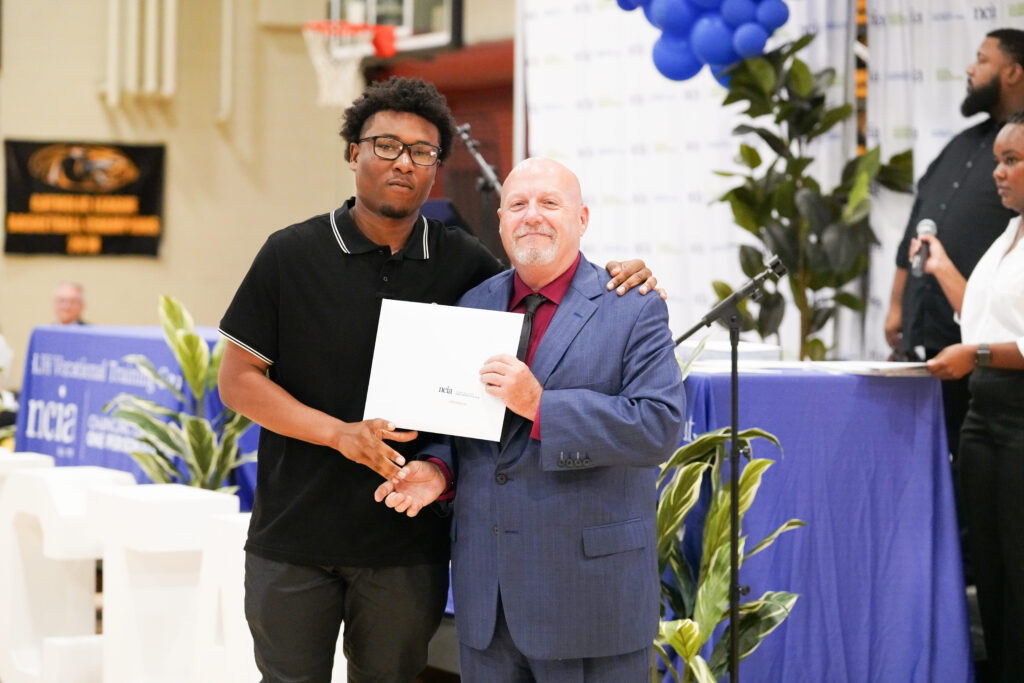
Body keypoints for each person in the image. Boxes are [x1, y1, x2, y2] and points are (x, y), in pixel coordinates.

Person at [217, 77, 660, 682]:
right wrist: (339, 435)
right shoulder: (289, 253)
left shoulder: (468, 269)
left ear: (436, 170)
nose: (403, 162)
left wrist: (626, 272)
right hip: (294, 533)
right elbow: (238, 381)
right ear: (353, 153)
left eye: (421, 152)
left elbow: (549, 277)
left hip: (407, 545)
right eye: (385, 145)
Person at [375, 157, 685, 681]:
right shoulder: (475, 304)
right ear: (500, 221)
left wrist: (541, 406)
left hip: (590, 604)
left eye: (549, 203)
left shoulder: (632, 306)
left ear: (582, 218)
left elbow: (658, 425)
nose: (532, 216)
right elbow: (463, 427)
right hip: (488, 608)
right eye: (518, 204)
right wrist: (438, 472)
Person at [910, 112, 1024, 683]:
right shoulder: (1008, 236)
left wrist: (973, 356)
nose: (997, 173)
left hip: (1019, 416)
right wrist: (942, 267)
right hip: (983, 418)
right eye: (997, 160)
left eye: (1011, 161)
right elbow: (977, 318)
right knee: (991, 570)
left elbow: (999, 343)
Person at [885, 29, 1024, 459]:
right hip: (935, 348)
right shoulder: (962, 143)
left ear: (1014, 72)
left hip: (994, 366)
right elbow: (917, 227)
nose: (969, 68)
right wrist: (897, 306)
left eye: (982, 60)